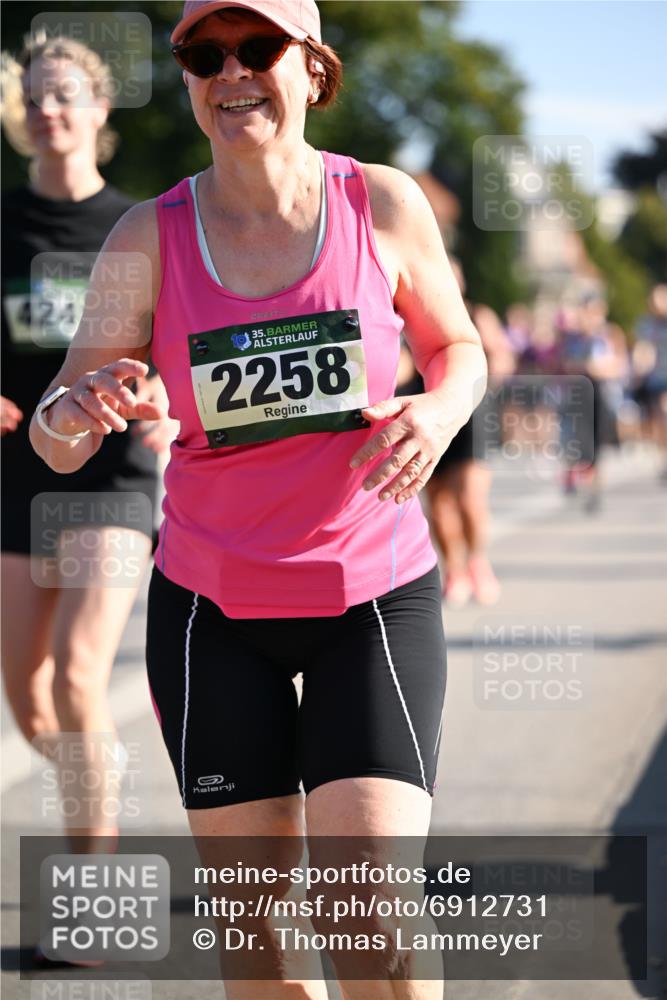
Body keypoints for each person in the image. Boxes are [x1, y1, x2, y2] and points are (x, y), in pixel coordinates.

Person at [29, 1, 487, 995]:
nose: (231, 72)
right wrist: (80, 409)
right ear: (188, 80)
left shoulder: (382, 203)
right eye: (205, 54)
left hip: (371, 596)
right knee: (259, 943)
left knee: (371, 917)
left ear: (311, 68)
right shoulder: (148, 237)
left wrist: (441, 409)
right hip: (212, 610)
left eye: (258, 48)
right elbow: (55, 433)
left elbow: (458, 347)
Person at [1, 33, 176, 857]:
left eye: (64, 93)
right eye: (33, 95)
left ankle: (92, 868)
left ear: (100, 109)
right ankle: (98, 772)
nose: (47, 109)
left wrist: (166, 397)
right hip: (16, 475)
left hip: (113, 474)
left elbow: (182, 343)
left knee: (77, 674)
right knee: (30, 703)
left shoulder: (136, 226)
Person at [398, 259, 513, 607]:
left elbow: (501, 356)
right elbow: (400, 367)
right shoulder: (402, 318)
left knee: (470, 496)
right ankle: (455, 570)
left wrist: (486, 378)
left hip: (471, 409)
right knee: (438, 502)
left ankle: (477, 561)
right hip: (423, 410)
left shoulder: (476, 314)